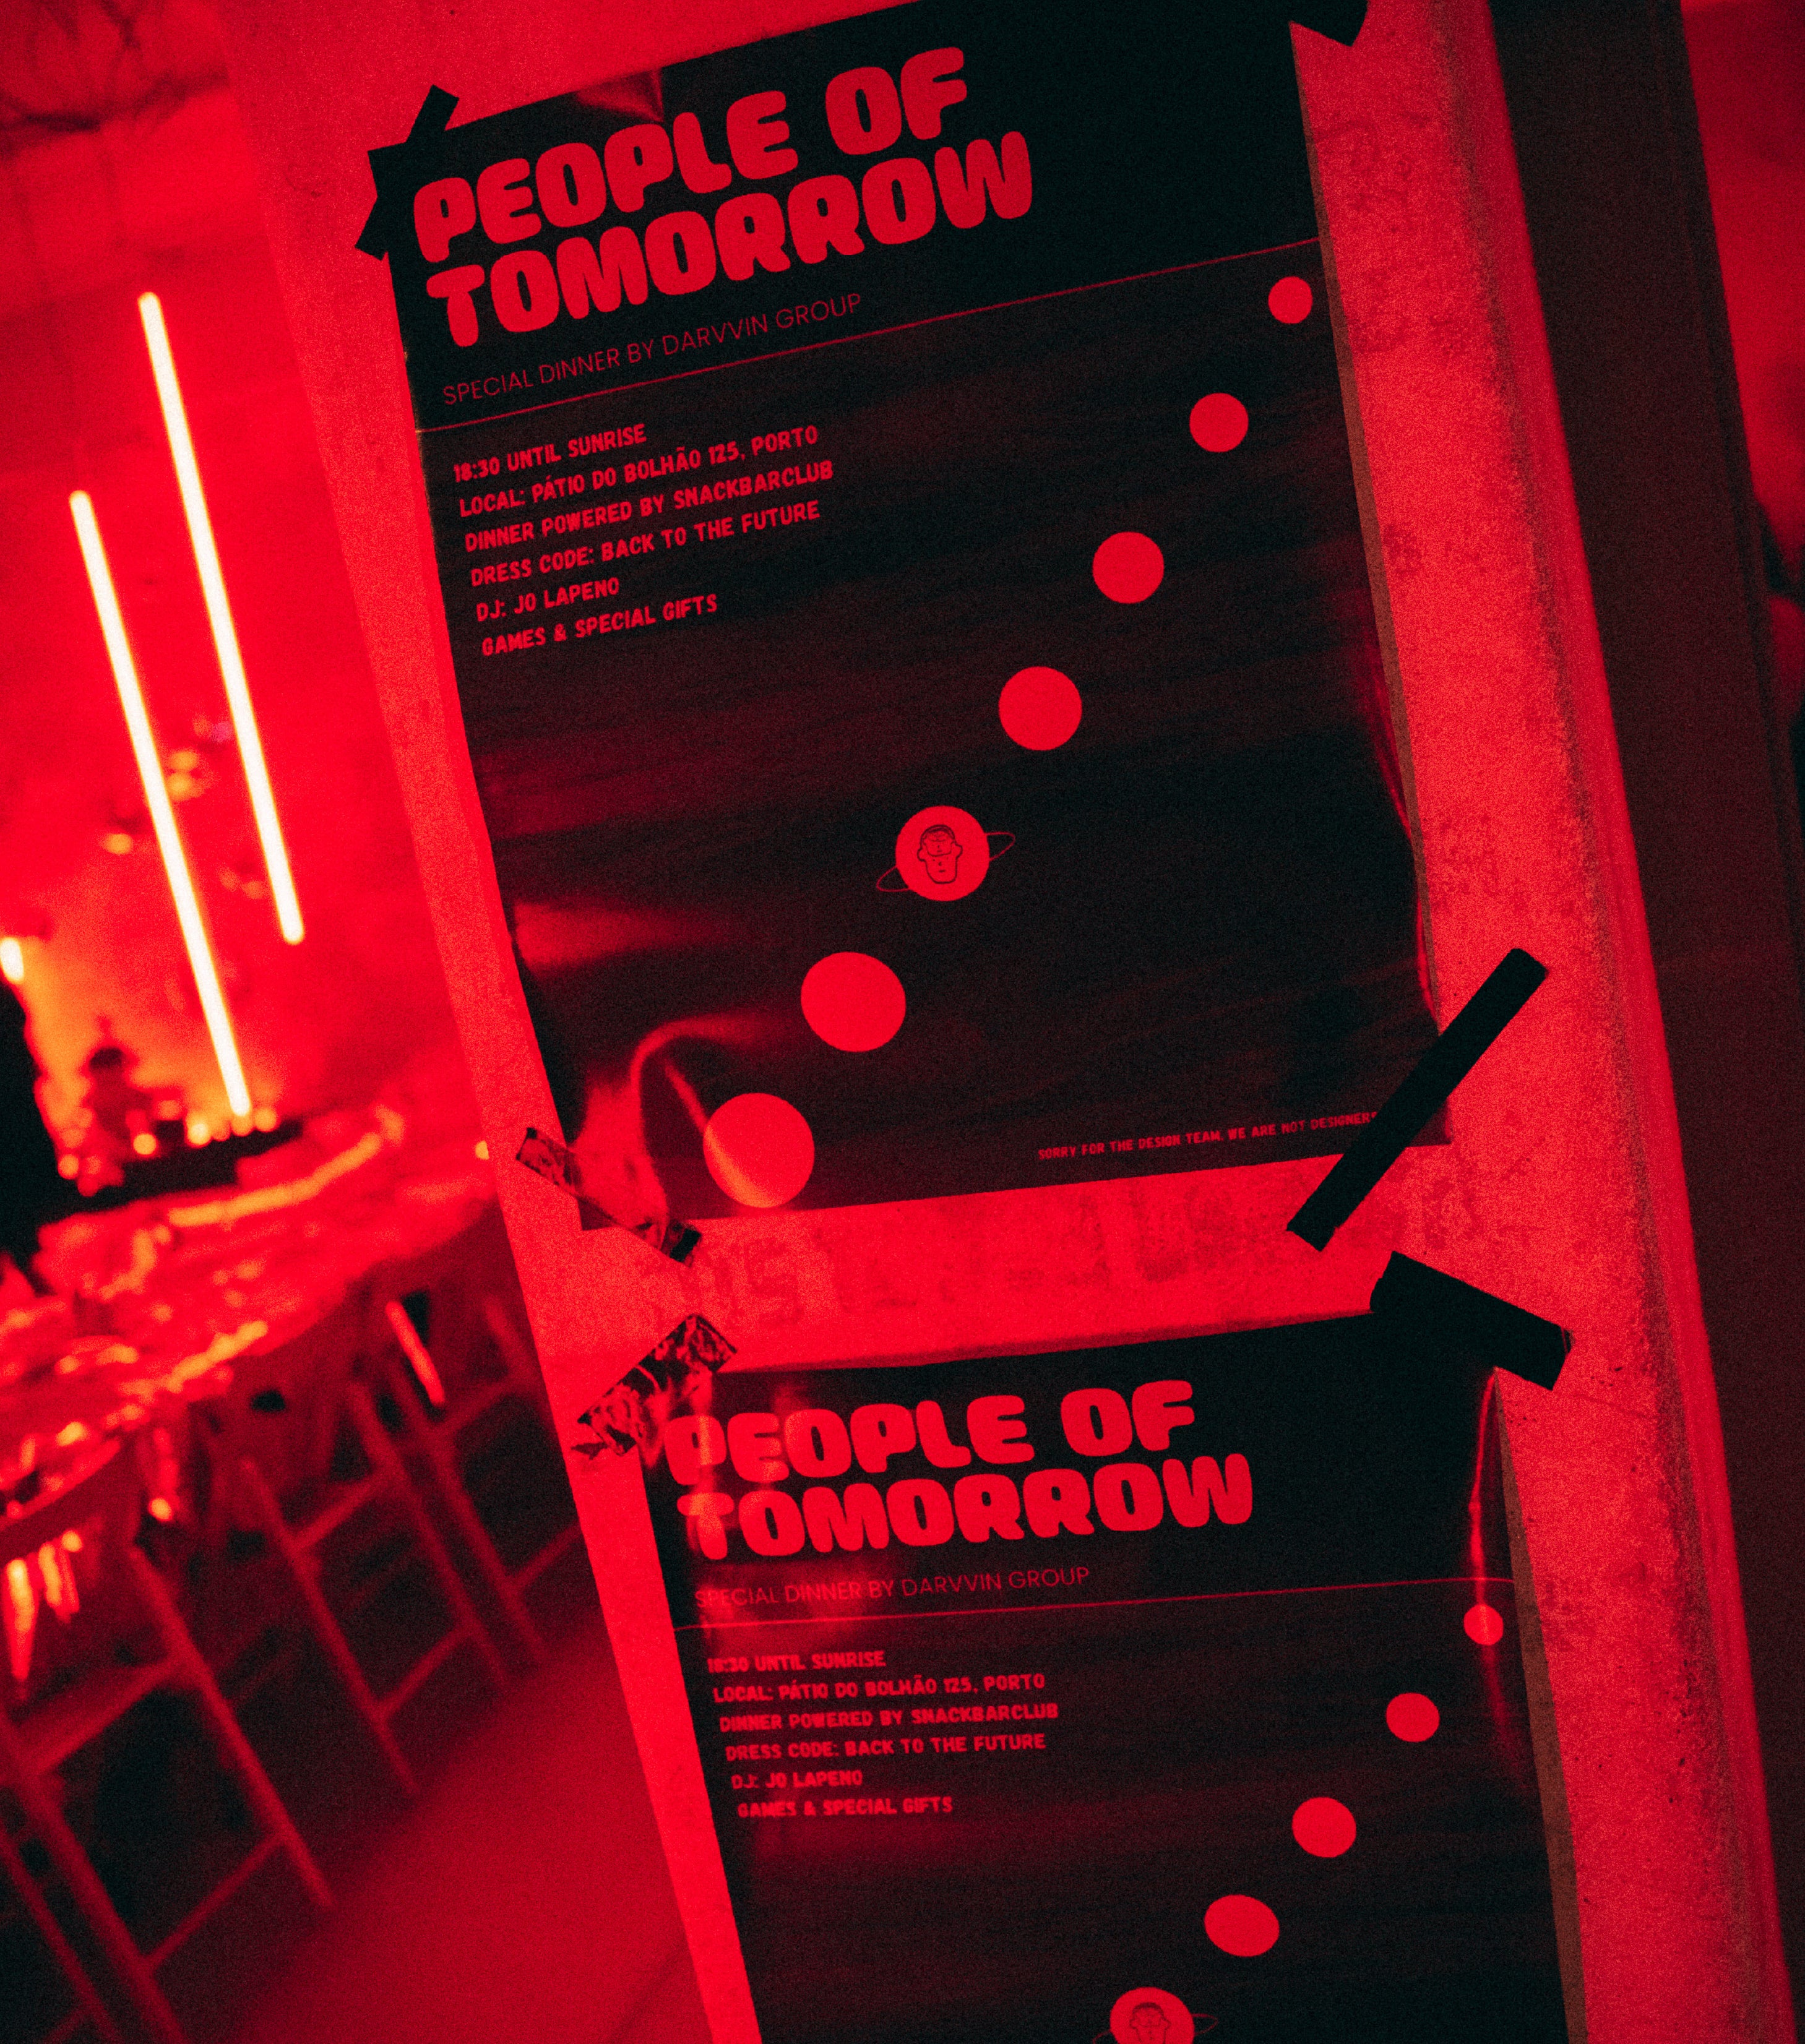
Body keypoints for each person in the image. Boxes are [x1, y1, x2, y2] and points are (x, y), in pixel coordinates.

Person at [0, 981, 67, 1295]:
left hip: (13, 1096)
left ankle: (25, 1261)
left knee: (14, 1188)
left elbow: (17, 1033)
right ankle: (25, 1262)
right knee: (14, 1188)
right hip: (12, 1097)